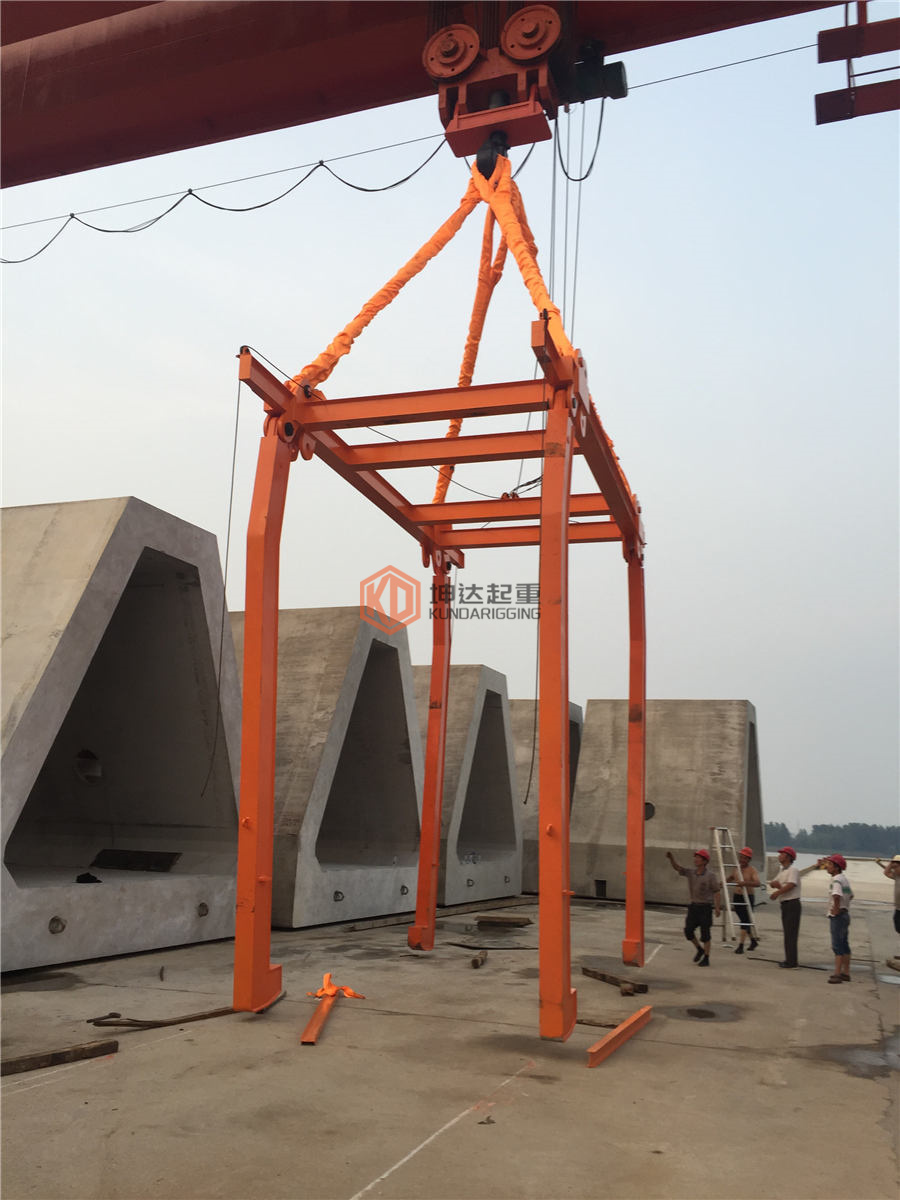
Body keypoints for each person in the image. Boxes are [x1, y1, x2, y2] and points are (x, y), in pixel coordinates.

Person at [666, 848, 722, 966]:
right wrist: (671, 859)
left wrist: (717, 907)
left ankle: (706, 957)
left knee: (705, 934)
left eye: (698, 858)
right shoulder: (691, 873)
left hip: (705, 908)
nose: (695, 859)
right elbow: (678, 868)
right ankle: (699, 949)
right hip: (694, 907)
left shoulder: (710, 876)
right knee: (688, 931)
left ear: (705, 861)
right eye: (695, 857)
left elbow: (717, 891)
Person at [768, 846, 802, 968]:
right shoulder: (782, 871)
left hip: (792, 903)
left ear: (787, 857)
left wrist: (778, 892)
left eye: (781, 854)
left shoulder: (793, 870)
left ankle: (792, 962)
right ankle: (789, 959)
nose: (779, 856)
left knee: (791, 933)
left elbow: (791, 884)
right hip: (785, 903)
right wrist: (777, 886)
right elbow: (773, 882)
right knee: (788, 933)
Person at [823, 853, 853, 983]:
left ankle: (837, 973)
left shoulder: (836, 880)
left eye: (830, 864)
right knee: (844, 944)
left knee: (837, 945)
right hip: (845, 914)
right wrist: (844, 906)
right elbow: (851, 895)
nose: (827, 866)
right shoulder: (844, 879)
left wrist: (836, 909)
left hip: (838, 916)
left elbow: (836, 895)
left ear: (836, 867)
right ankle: (846, 972)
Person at [727, 846, 760, 953]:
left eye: (745, 858)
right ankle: (753, 941)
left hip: (748, 897)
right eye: (741, 857)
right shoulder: (737, 868)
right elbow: (731, 877)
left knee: (745, 920)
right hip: (737, 896)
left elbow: (757, 883)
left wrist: (745, 883)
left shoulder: (752, 870)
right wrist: (722, 883)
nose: (742, 860)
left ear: (749, 859)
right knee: (744, 920)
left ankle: (741, 945)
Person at [875, 854, 900, 970]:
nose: (895, 869)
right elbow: (886, 872)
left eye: (897, 866)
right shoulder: (896, 876)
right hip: (898, 908)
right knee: (898, 928)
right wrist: (891, 863)